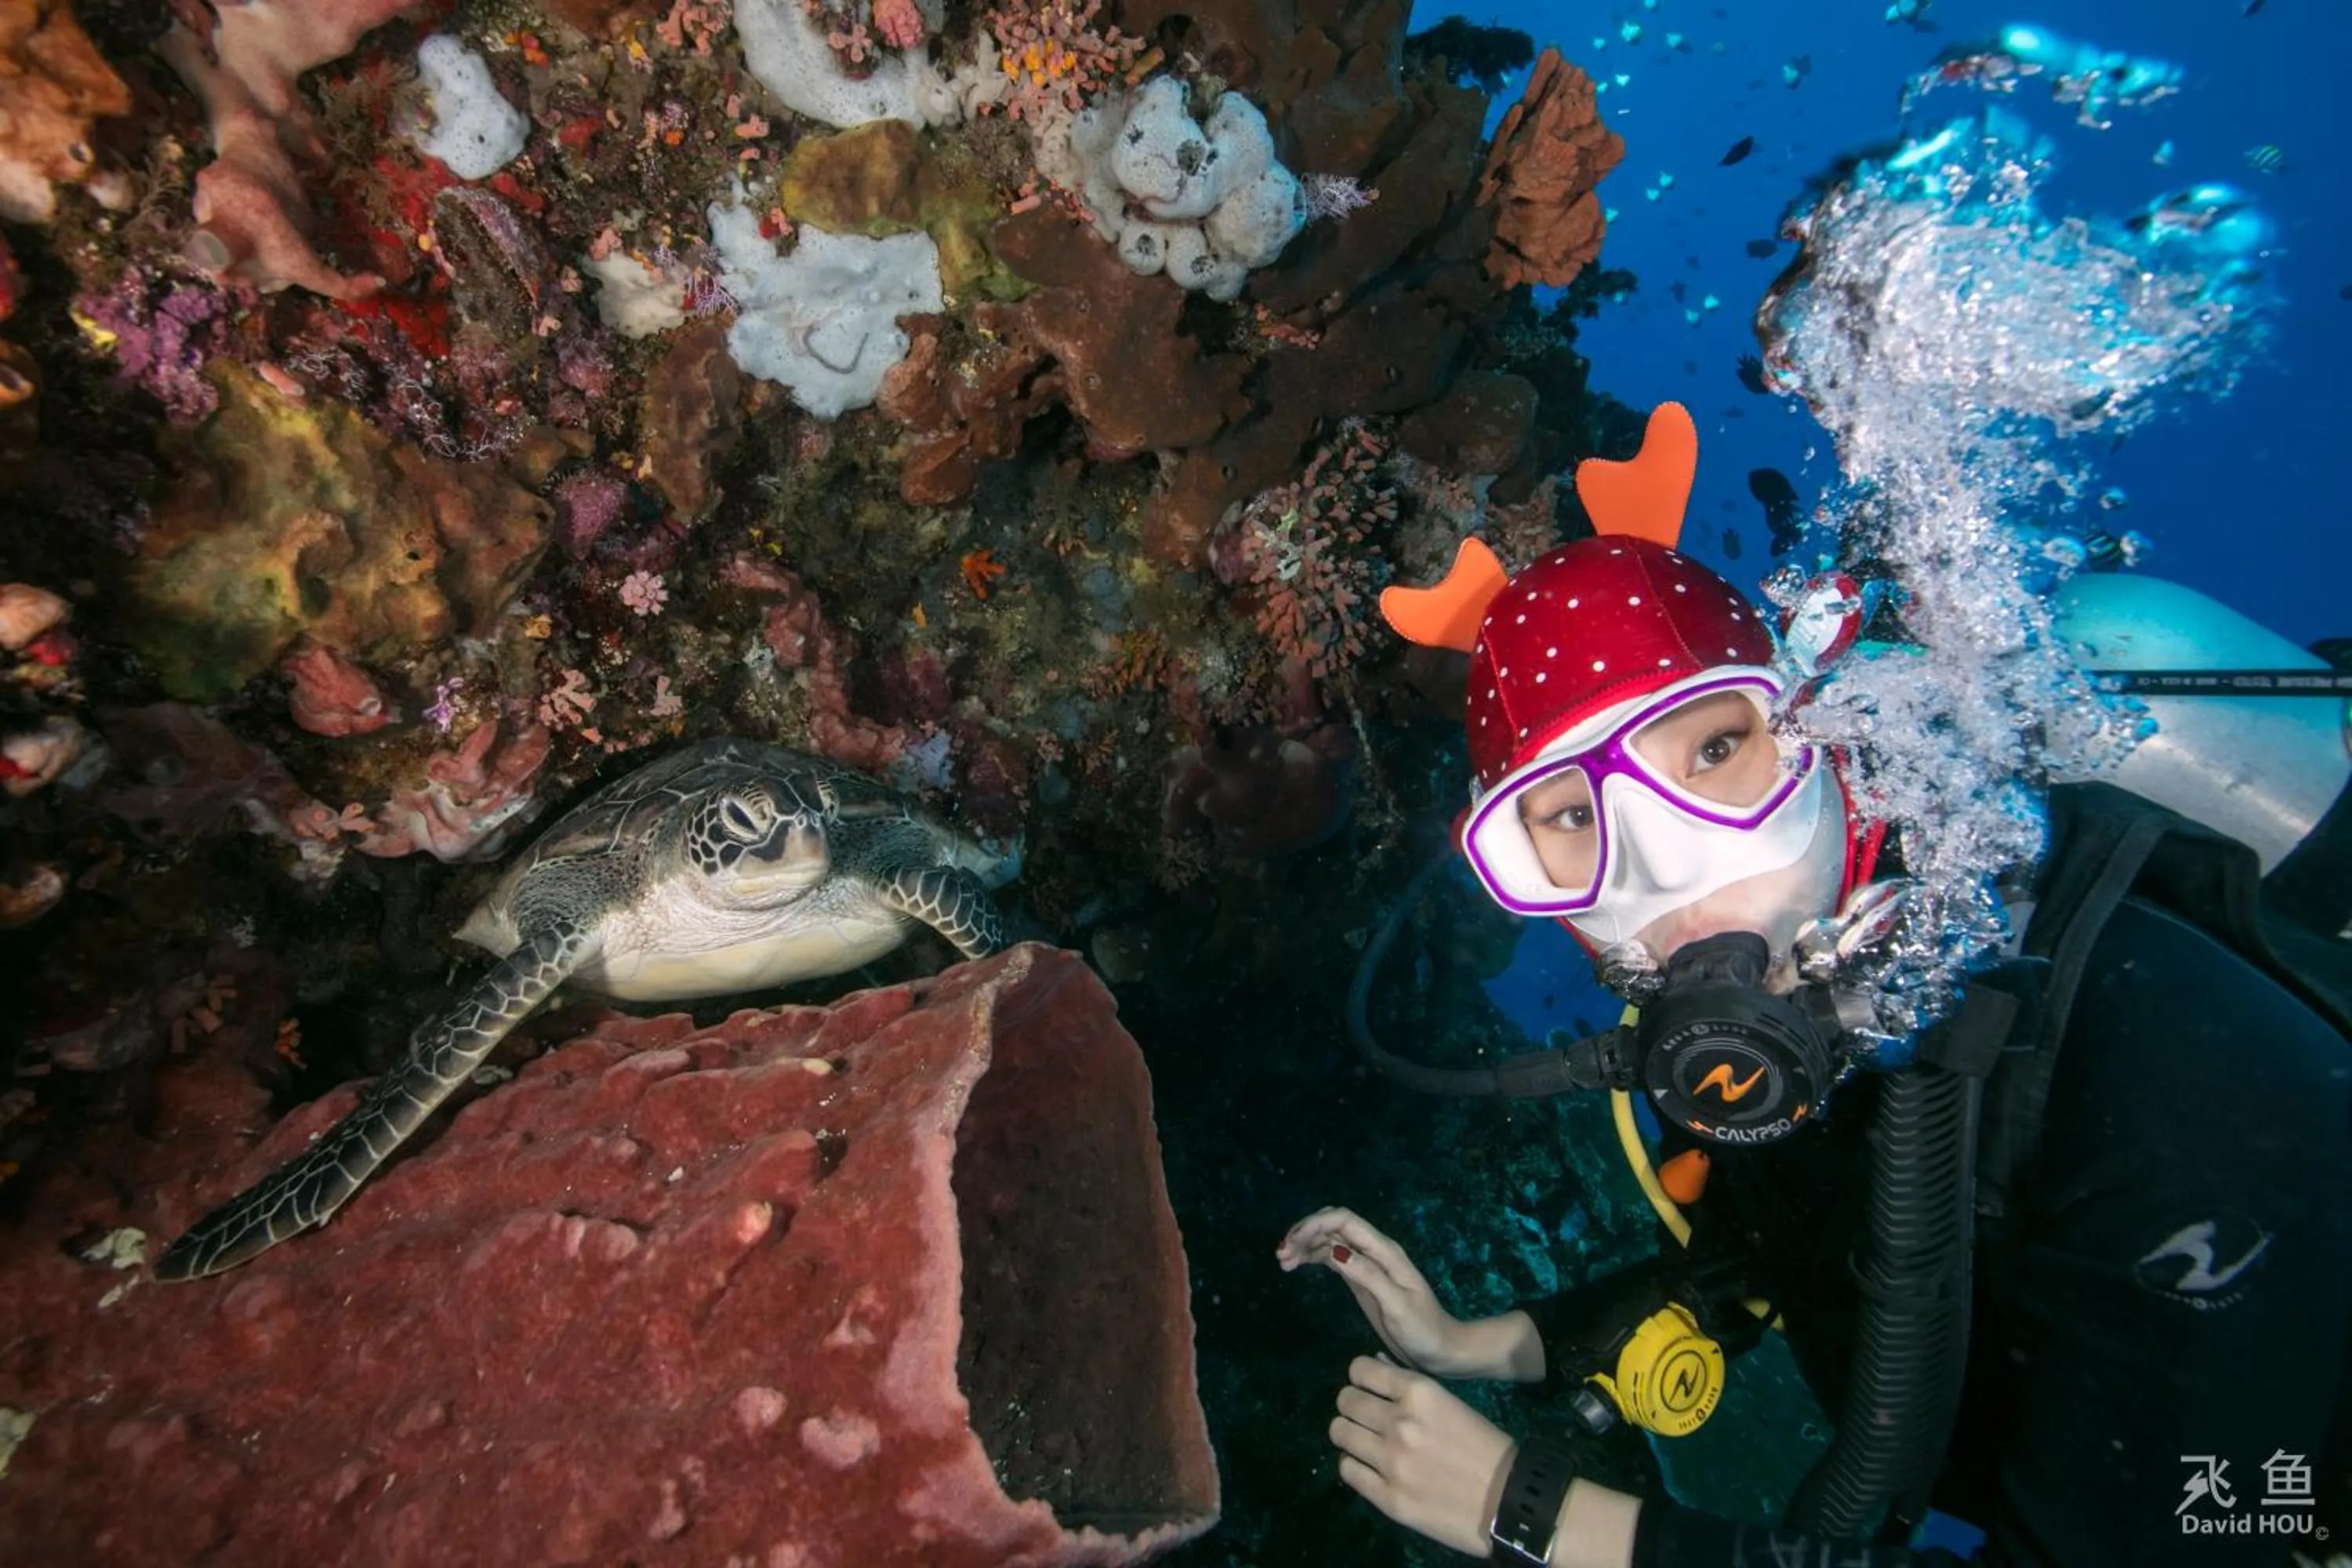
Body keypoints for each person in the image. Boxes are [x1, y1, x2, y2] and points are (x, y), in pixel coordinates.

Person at [1281, 404, 2352, 1566]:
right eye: (1572, 823)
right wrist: (1486, 1344)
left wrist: (1537, 1514)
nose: (1670, 879)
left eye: (1714, 751)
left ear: (1825, 733)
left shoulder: (2170, 1064)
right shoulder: (1813, 1033)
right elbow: (1788, 1255)